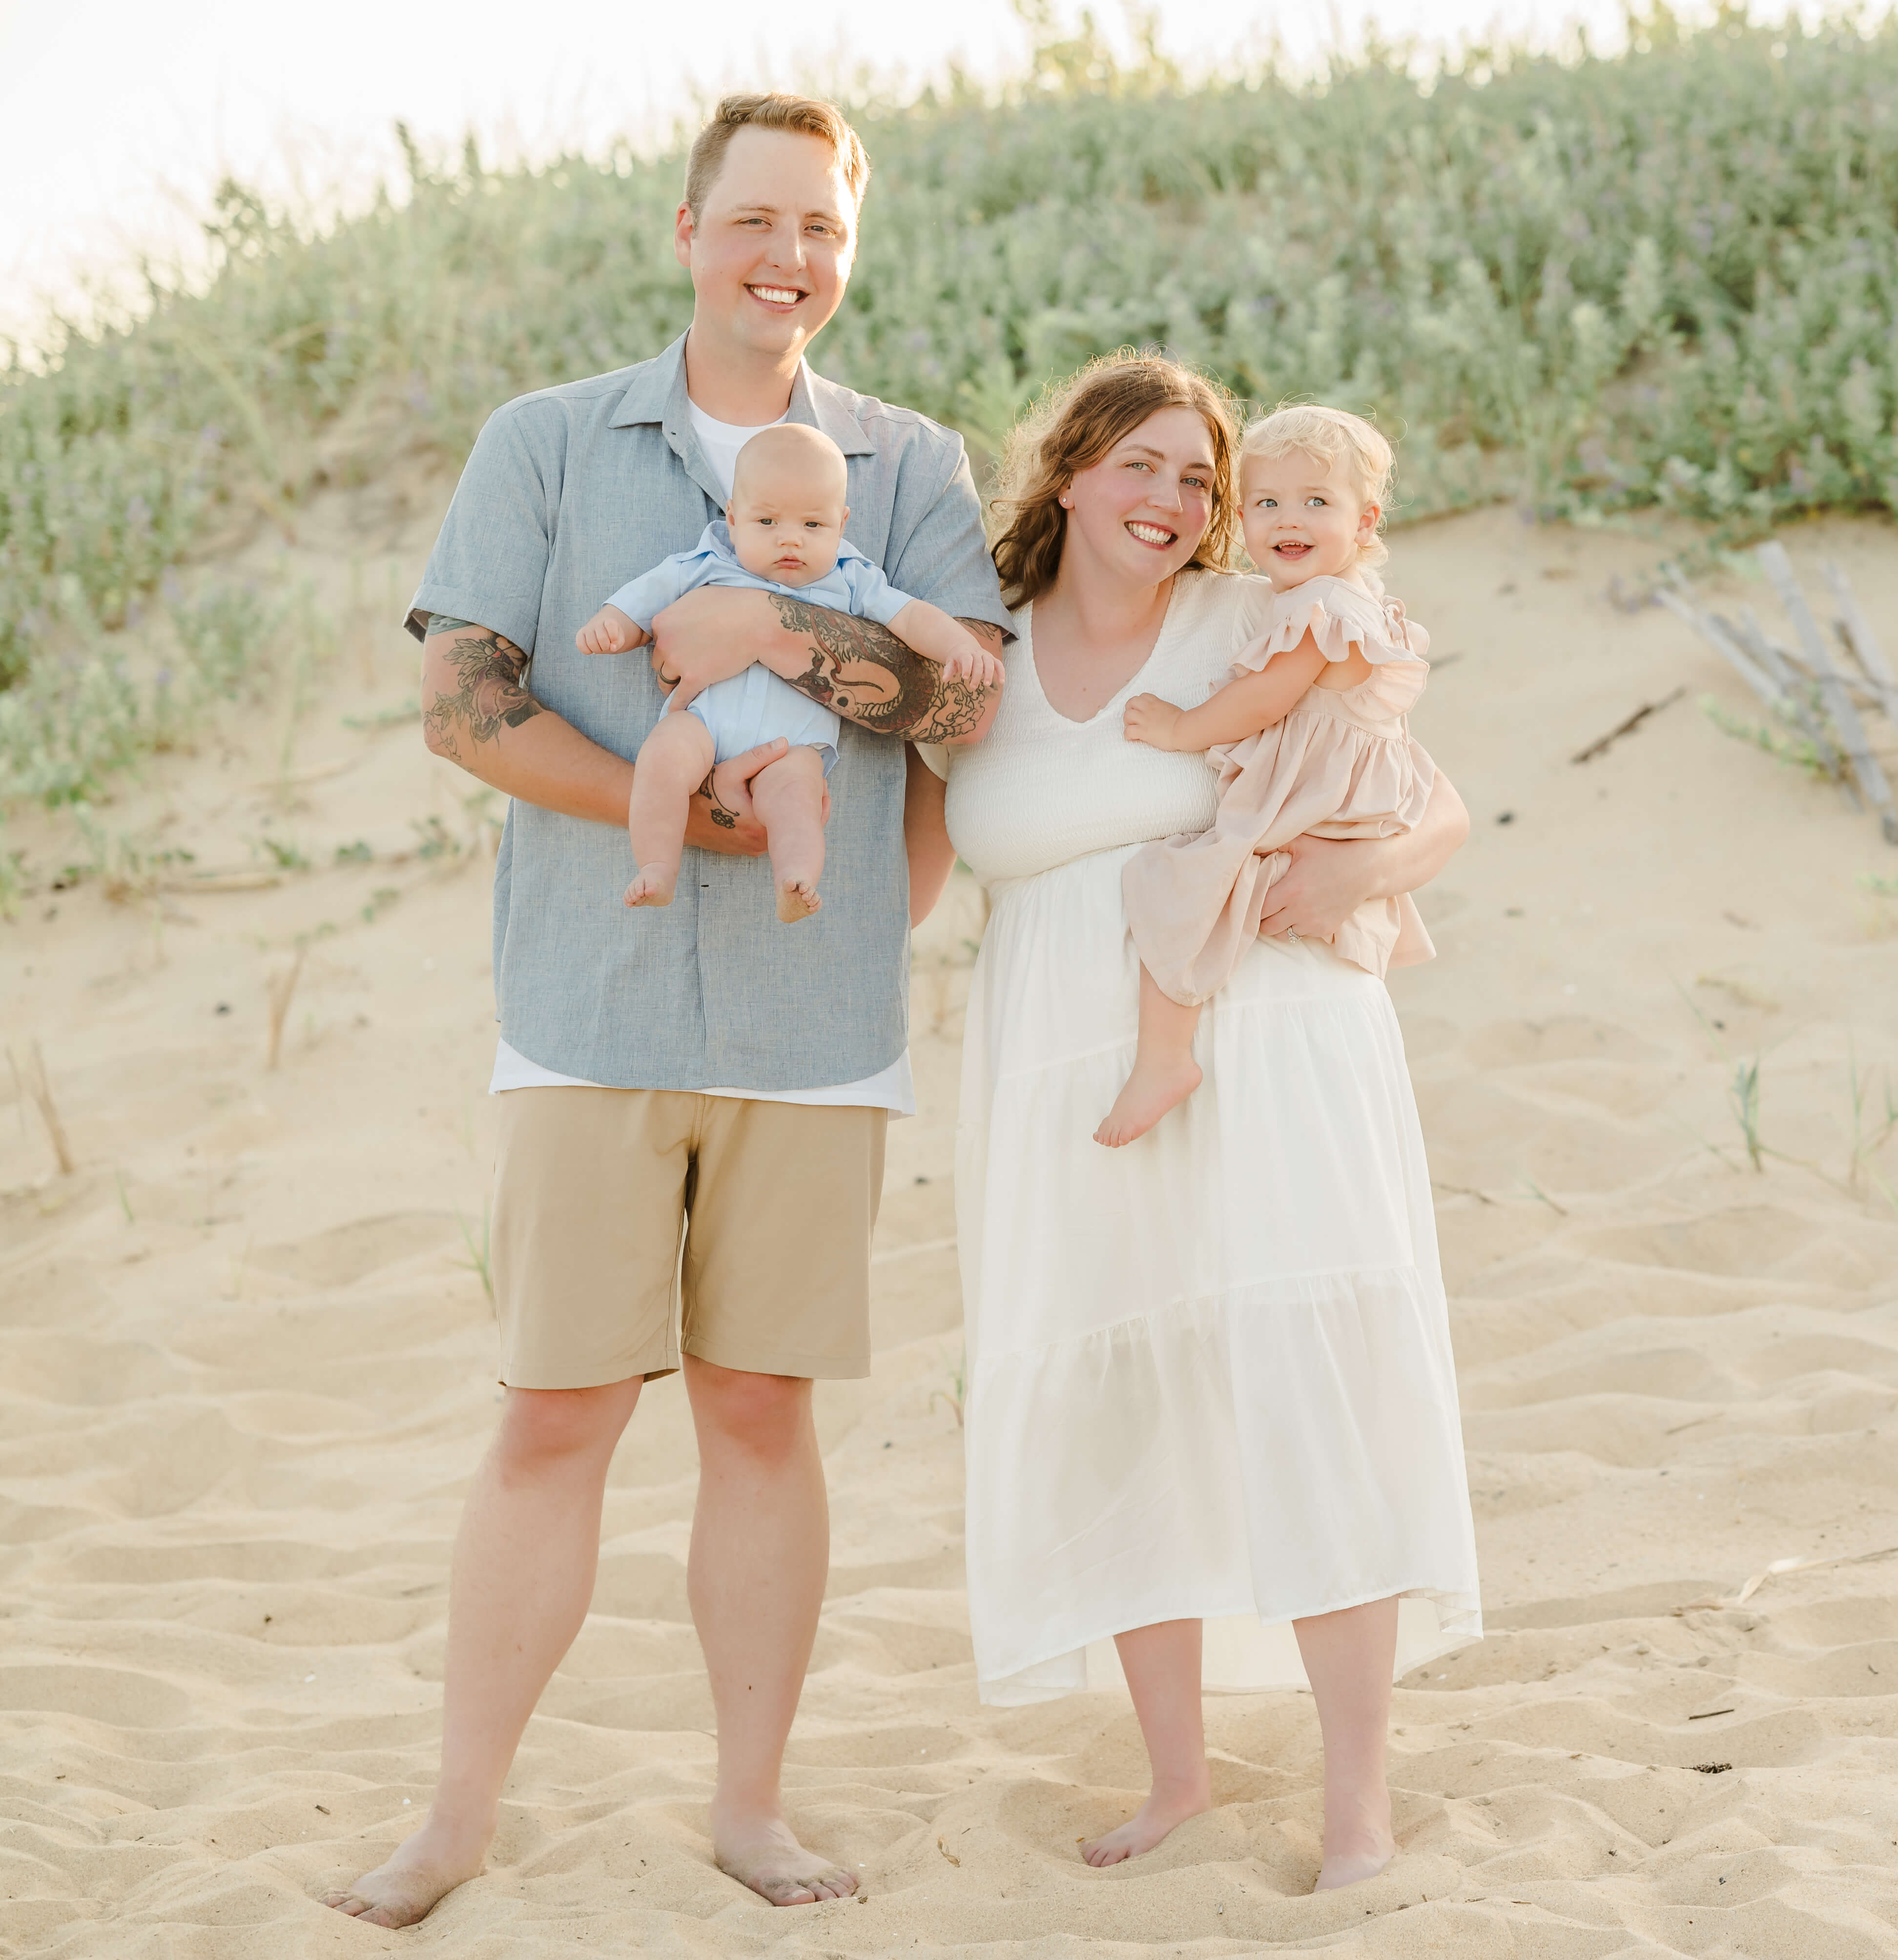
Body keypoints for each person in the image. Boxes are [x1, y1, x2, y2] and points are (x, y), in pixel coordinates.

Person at [324, 92, 1012, 1930]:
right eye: (756, 219)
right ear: (689, 228)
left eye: (823, 231)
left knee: (760, 1411)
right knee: (551, 1417)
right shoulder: (547, 445)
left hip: (814, 1024)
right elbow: (465, 704)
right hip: (585, 1004)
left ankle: (749, 1806)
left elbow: (964, 712)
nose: (789, 258)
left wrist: (778, 644)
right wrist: (690, 810)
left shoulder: (911, 465)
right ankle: (456, 1821)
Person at [932, 352, 1482, 1894]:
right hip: (1055, 1060)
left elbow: (1429, 805)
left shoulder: (1255, 617)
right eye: (1143, 468)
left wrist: (1350, 877)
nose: (1175, 503)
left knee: (1313, 1378)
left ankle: (1357, 1802)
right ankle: (1176, 1775)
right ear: (1068, 472)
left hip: (1270, 1042)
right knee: (1124, 1389)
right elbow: (912, 857)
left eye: (1199, 478)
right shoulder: (983, 659)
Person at [1095, 404, 1437, 1147]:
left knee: (1178, 879)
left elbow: (1265, 698)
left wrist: (1182, 728)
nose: (1292, 519)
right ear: (1242, 514)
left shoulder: (1320, 607)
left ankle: (1165, 1059)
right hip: (1342, 796)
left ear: (1367, 521)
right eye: (1269, 503)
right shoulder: (1345, 602)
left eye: (1318, 502)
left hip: (1311, 801)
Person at [583, 421, 1002, 919]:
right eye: (767, 523)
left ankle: (795, 876)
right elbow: (649, 596)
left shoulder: (850, 576)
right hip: (702, 722)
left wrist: (956, 643)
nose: (790, 541)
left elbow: (910, 615)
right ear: (733, 519)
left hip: (792, 743)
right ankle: (656, 865)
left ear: (841, 525)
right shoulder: (707, 561)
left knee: (797, 798)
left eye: (812, 526)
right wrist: (616, 624)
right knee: (661, 761)